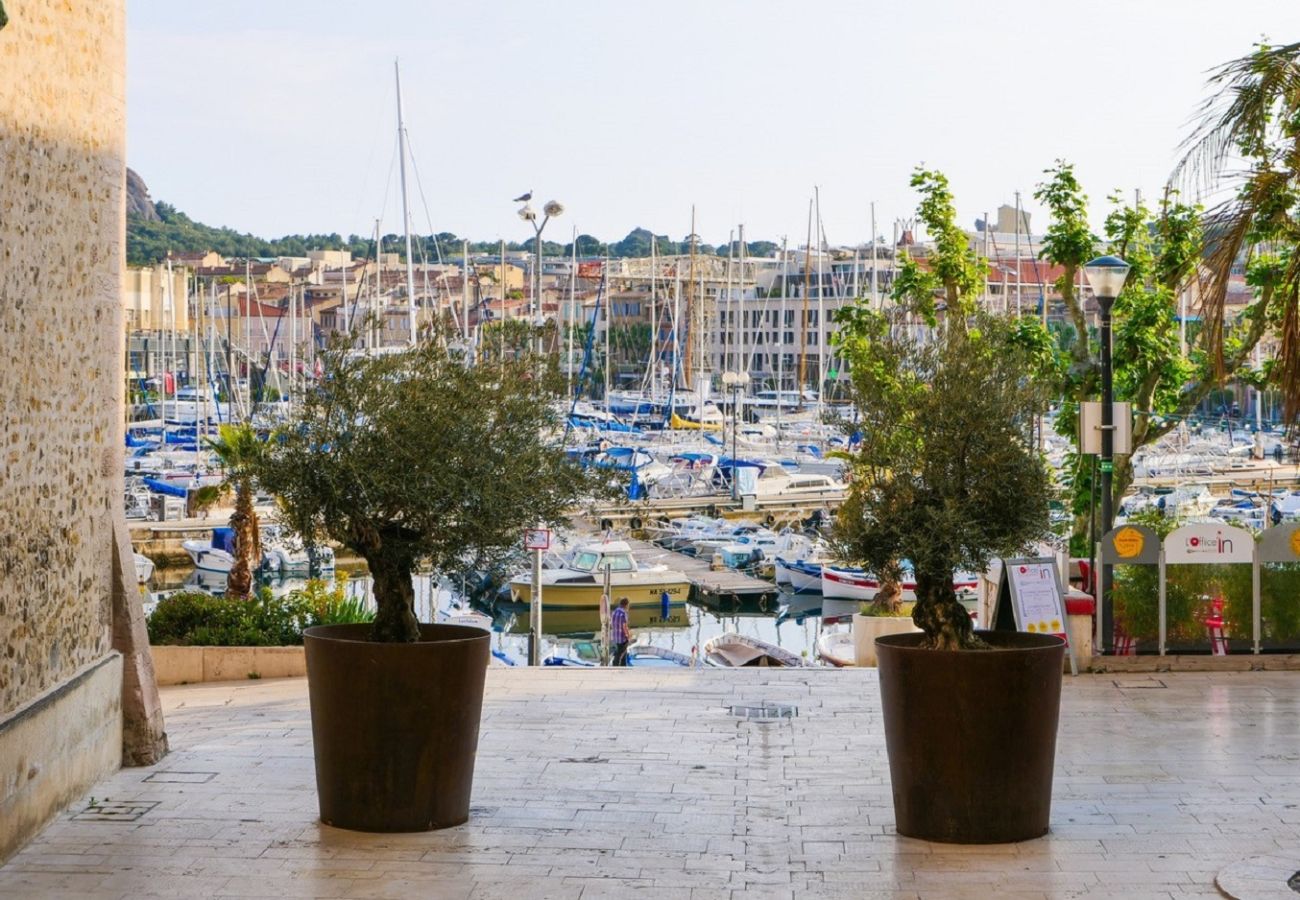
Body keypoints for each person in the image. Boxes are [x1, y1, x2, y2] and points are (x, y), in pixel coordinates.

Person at [611, 597, 631, 666]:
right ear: (626, 605)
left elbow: (612, 624)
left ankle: (623, 666)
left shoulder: (614, 612)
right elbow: (624, 627)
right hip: (622, 638)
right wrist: (628, 636)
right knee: (619, 654)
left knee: (623, 653)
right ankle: (615, 666)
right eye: (628, 605)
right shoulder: (623, 613)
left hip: (616, 637)